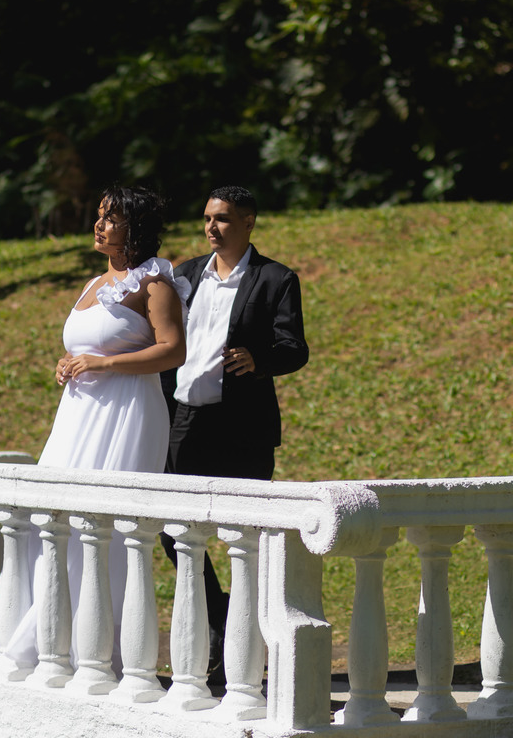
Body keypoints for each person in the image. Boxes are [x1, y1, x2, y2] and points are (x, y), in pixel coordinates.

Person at [0, 185, 189, 671]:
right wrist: (68, 361)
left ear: (135, 227)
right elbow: (85, 345)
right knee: (47, 516)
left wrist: (105, 362)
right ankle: (45, 632)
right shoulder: (95, 281)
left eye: (111, 218)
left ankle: (88, 651)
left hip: (127, 413)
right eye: (99, 215)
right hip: (77, 415)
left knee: (96, 529)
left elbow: (173, 350)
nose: (99, 225)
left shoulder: (154, 282)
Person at [161, 184, 309, 673]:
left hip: (243, 426)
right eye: (207, 217)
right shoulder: (185, 275)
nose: (212, 227)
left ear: (248, 222)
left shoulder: (275, 279)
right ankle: (219, 616)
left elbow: (294, 347)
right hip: (185, 419)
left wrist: (259, 359)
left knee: (245, 536)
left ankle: (248, 648)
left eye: (222, 218)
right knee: (173, 531)